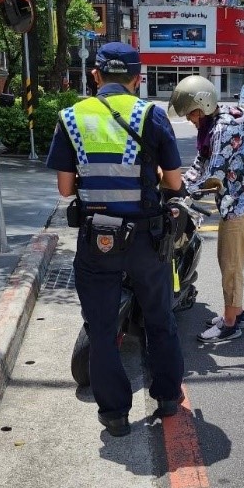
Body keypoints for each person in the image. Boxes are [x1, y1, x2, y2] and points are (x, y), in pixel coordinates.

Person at [46, 42, 185, 437]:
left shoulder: (71, 117)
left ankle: (115, 415)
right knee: (159, 319)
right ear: (137, 79)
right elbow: (175, 182)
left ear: (95, 75)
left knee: (101, 329)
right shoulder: (151, 115)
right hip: (147, 240)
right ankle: (167, 398)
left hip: (98, 241)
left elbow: (65, 189)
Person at [169, 75, 244, 344]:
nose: (190, 119)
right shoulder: (213, 125)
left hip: (242, 205)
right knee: (229, 262)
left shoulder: (224, 128)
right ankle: (238, 313)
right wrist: (178, 185)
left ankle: (230, 324)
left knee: (230, 265)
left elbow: (213, 173)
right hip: (237, 202)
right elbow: (201, 162)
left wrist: (181, 192)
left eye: (191, 113)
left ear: (204, 105)